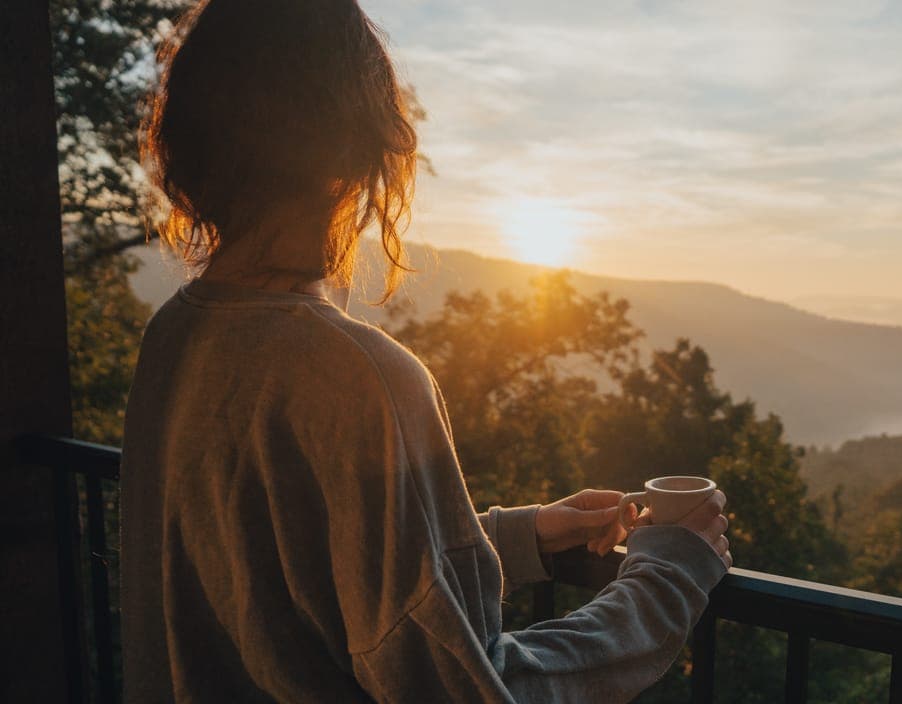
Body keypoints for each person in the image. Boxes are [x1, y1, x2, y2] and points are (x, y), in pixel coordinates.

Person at [120, 1, 732, 702]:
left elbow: (273, 575)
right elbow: (474, 684)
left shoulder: (173, 336)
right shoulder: (358, 377)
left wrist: (516, 536)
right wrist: (669, 577)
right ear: (356, 148)